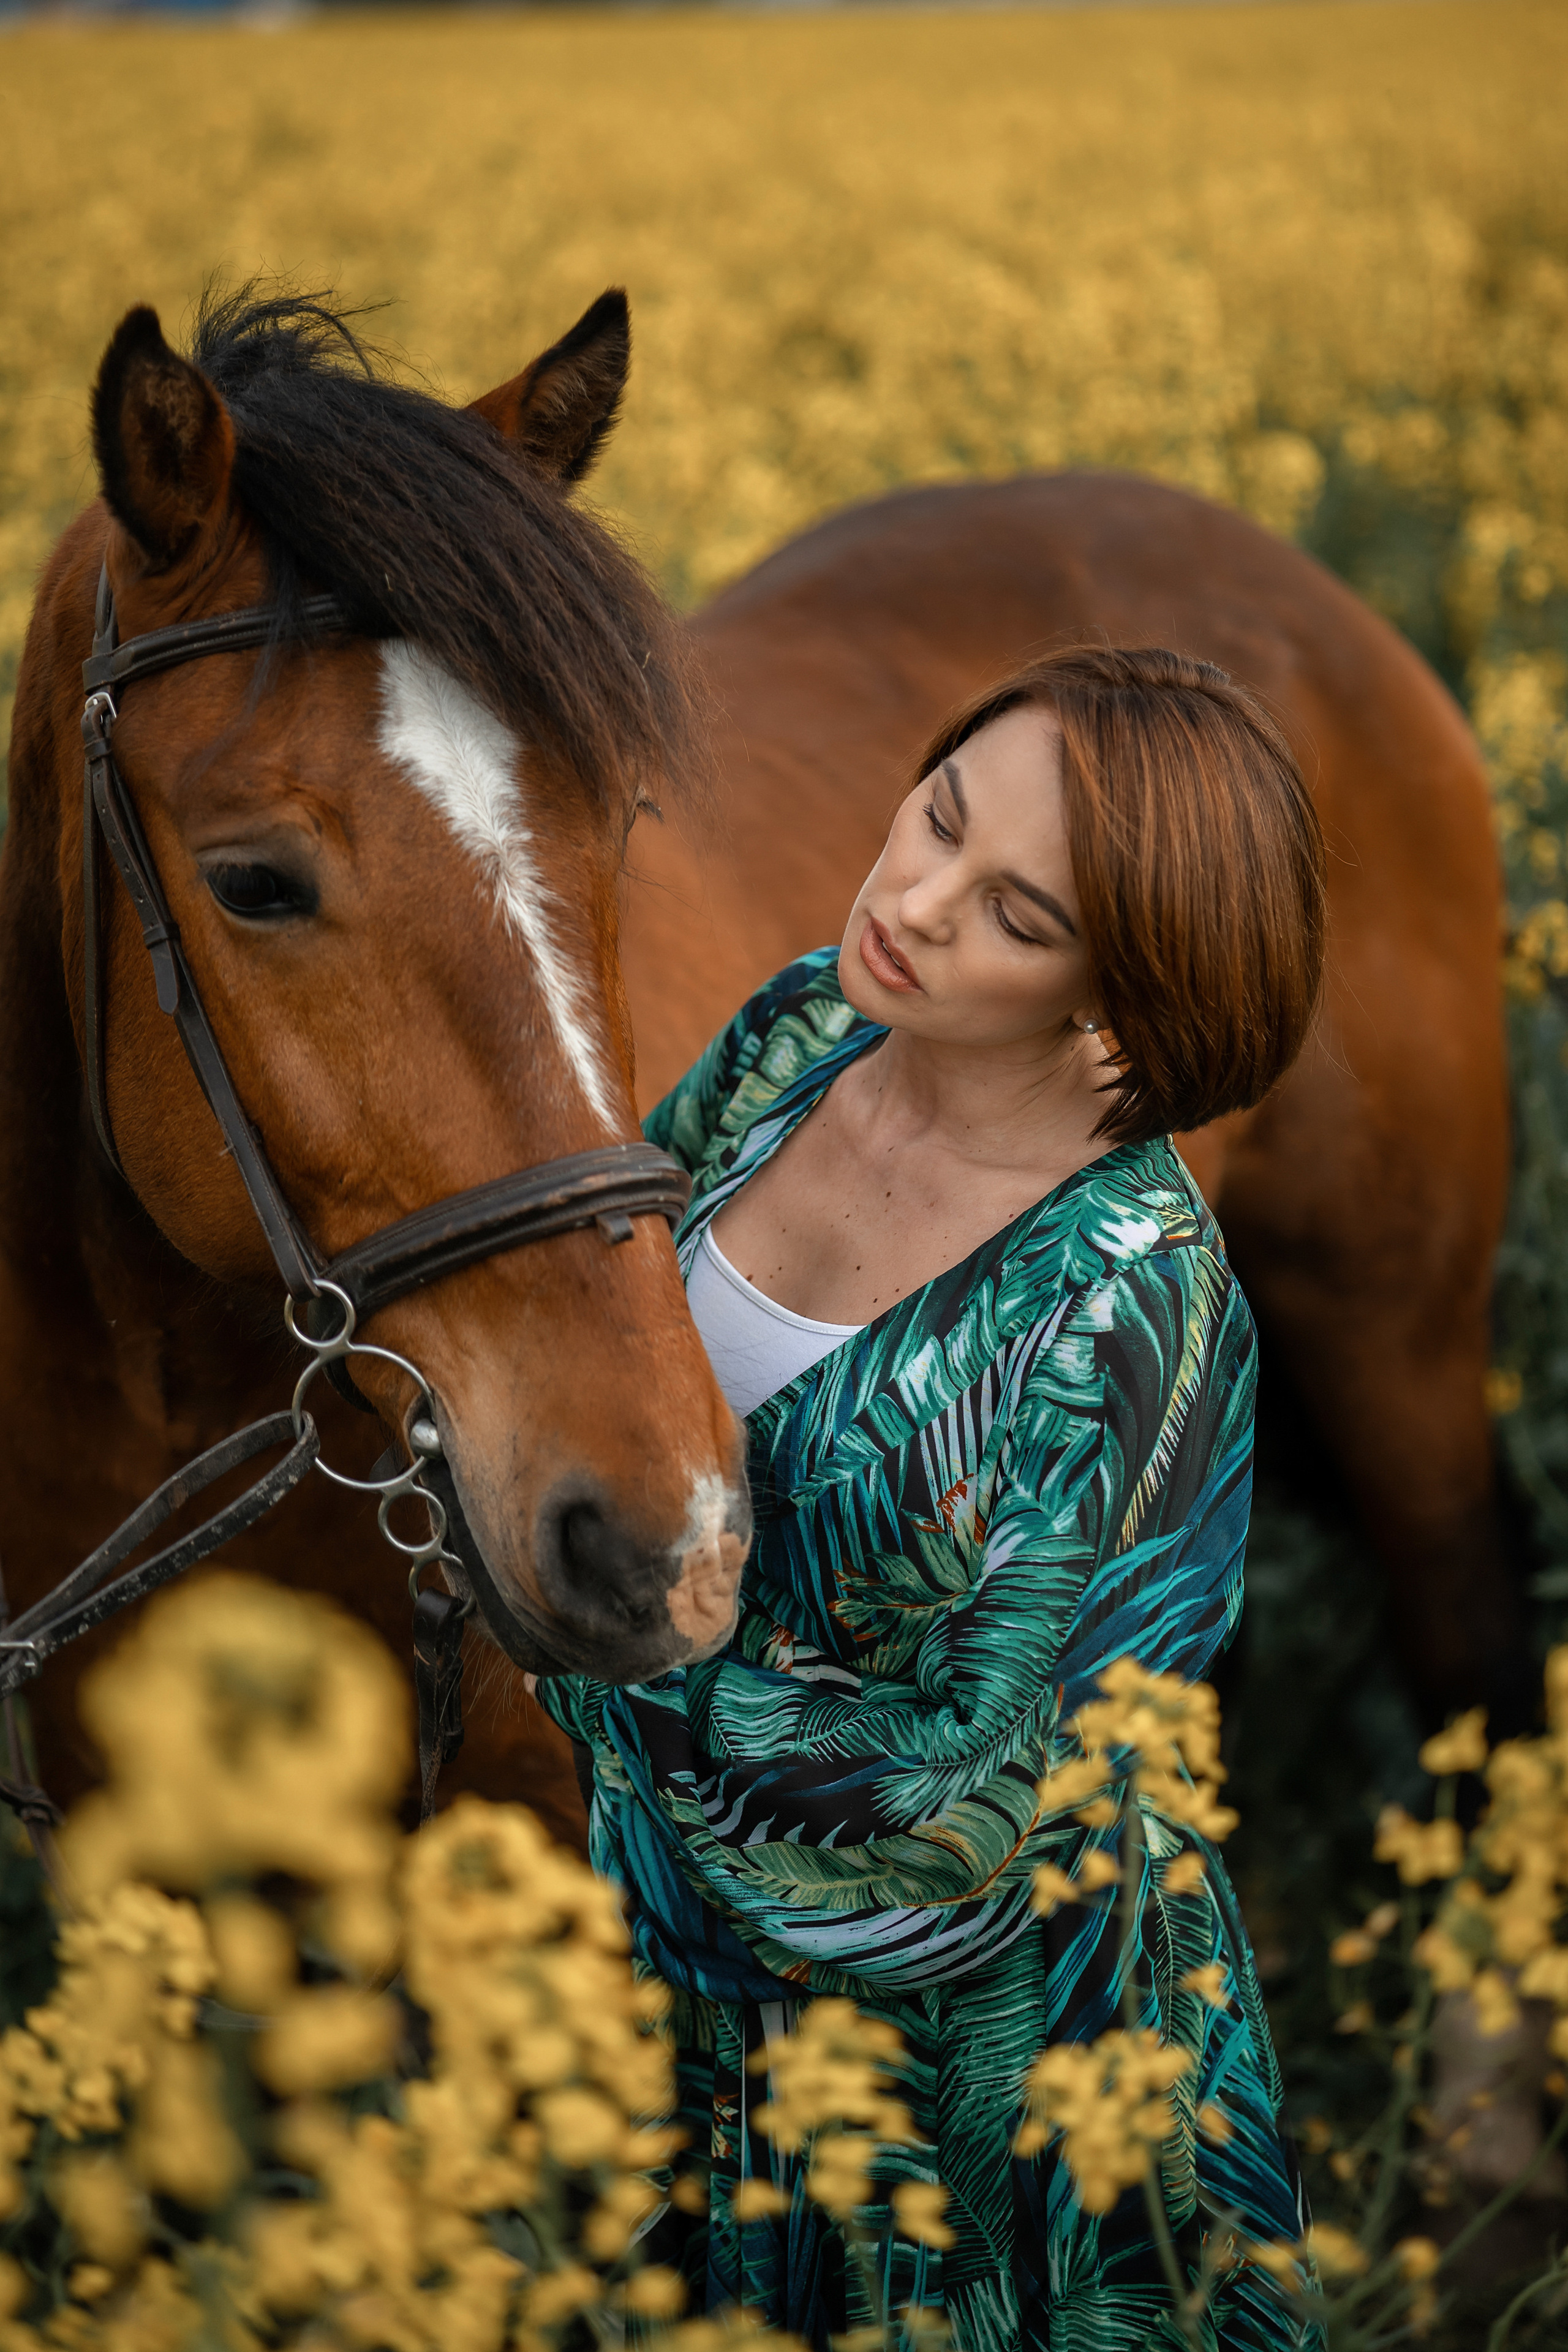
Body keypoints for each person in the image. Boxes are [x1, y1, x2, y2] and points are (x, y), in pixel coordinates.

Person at [533, 645, 1326, 2350]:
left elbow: (989, 1804)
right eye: (941, 814)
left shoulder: (1130, 1313)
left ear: (1123, 999)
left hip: (958, 2090)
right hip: (662, 1979)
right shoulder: (797, 1031)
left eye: (1018, 916)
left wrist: (595, 1655)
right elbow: (598, 1327)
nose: (917, 898)